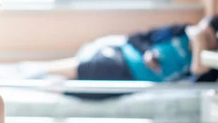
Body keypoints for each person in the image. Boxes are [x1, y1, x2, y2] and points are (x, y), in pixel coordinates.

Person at [39, 16, 218, 84]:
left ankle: (41, 75)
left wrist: (199, 44)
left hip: (132, 75)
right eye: (200, 32)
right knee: (96, 66)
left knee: (89, 82)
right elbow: (137, 38)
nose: (199, 35)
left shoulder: (206, 64)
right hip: (123, 54)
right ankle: (38, 70)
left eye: (207, 38)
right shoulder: (178, 32)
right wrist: (148, 53)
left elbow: (197, 74)